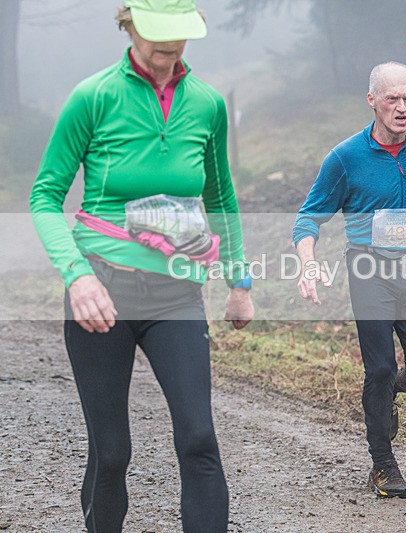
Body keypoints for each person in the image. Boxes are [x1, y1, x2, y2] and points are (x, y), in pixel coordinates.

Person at [29, 1, 254, 531]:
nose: (168, 47)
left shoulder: (207, 104)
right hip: (101, 294)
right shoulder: (93, 97)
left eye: (177, 35)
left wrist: (238, 279)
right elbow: (45, 196)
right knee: (112, 453)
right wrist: (77, 275)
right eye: (156, 34)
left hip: (176, 293)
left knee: (199, 439)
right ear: (128, 25)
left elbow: (221, 194)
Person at [293, 61, 406, 499]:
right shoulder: (345, 157)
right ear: (372, 101)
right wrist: (307, 263)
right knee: (380, 366)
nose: (402, 107)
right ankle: (383, 466)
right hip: (368, 269)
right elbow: (308, 219)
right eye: (392, 98)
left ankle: (388, 392)